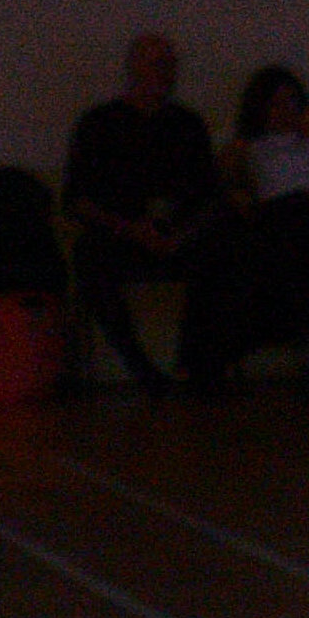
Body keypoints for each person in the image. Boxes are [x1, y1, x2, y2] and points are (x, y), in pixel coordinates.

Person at [63, 35, 239, 392]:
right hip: (121, 238)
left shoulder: (187, 124)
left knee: (227, 248)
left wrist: (181, 236)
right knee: (88, 255)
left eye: (171, 65)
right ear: (134, 68)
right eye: (158, 64)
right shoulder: (99, 123)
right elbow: (77, 199)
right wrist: (128, 229)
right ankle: (141, 368)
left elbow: (212, 197)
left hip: (180, 239)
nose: (166, 73)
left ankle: (193, 365)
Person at [222, 65, 309, 368]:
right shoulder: (253, 146)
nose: (284, 111)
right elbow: (227, 180)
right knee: (295, 237)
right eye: (275, 104)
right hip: (280, 214)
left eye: (290, 101)